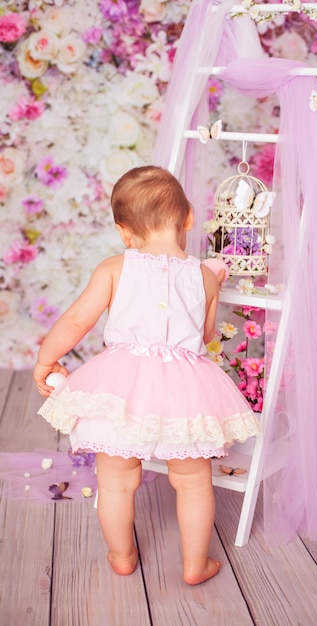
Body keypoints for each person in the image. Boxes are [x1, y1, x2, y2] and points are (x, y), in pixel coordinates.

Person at [33, 166, 260, 584]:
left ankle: (121, 555)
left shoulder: (115, 266)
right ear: (189, 218)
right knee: (193, 481)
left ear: (124, 232)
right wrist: (209, 283)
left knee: (116, 478)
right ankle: (196, 564)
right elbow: (205, 336)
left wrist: (47, 358)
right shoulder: (204, 276)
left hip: (123, 385)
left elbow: (78, 320)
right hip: (184, 388)